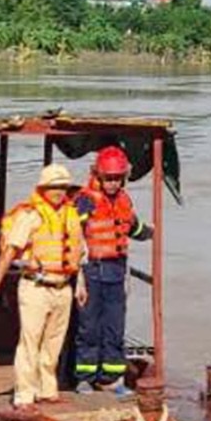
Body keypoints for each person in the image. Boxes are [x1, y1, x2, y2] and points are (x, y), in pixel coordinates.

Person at [0, 164, 87, 409]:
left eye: (63, 187)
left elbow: (78, 254)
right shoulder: (31, 216)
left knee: (54, 343)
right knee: (30, 342)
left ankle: (48, 390)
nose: (59, 191)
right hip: (36, 286)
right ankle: (24, 394)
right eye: (54, 187)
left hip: (63, 287)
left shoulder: (71, 215)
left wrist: (80, 284)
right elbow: (9, 252)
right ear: (43, 188)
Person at [70, 145, 151, 394]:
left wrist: (151, 232)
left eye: (117, 178)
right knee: (89, 327)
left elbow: (133, 229)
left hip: (116, 270)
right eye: (109, 178)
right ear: (98, 175)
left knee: (114, 327)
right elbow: (72, 232)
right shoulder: (85, 199)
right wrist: (79, 276)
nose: (113, 183)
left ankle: (111, 379)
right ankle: (85, 377)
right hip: (92, 270)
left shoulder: (124, 201)